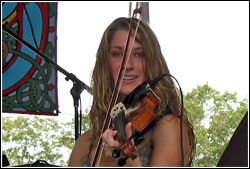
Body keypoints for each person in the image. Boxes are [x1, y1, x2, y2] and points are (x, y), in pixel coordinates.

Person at [68, 16, 196, 167]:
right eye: (117, 54)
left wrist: (129, 162)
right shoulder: (86, 141)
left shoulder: (169, 127)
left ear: (151, 62)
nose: (128, 65)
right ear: (106, 63)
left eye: (138, 54)